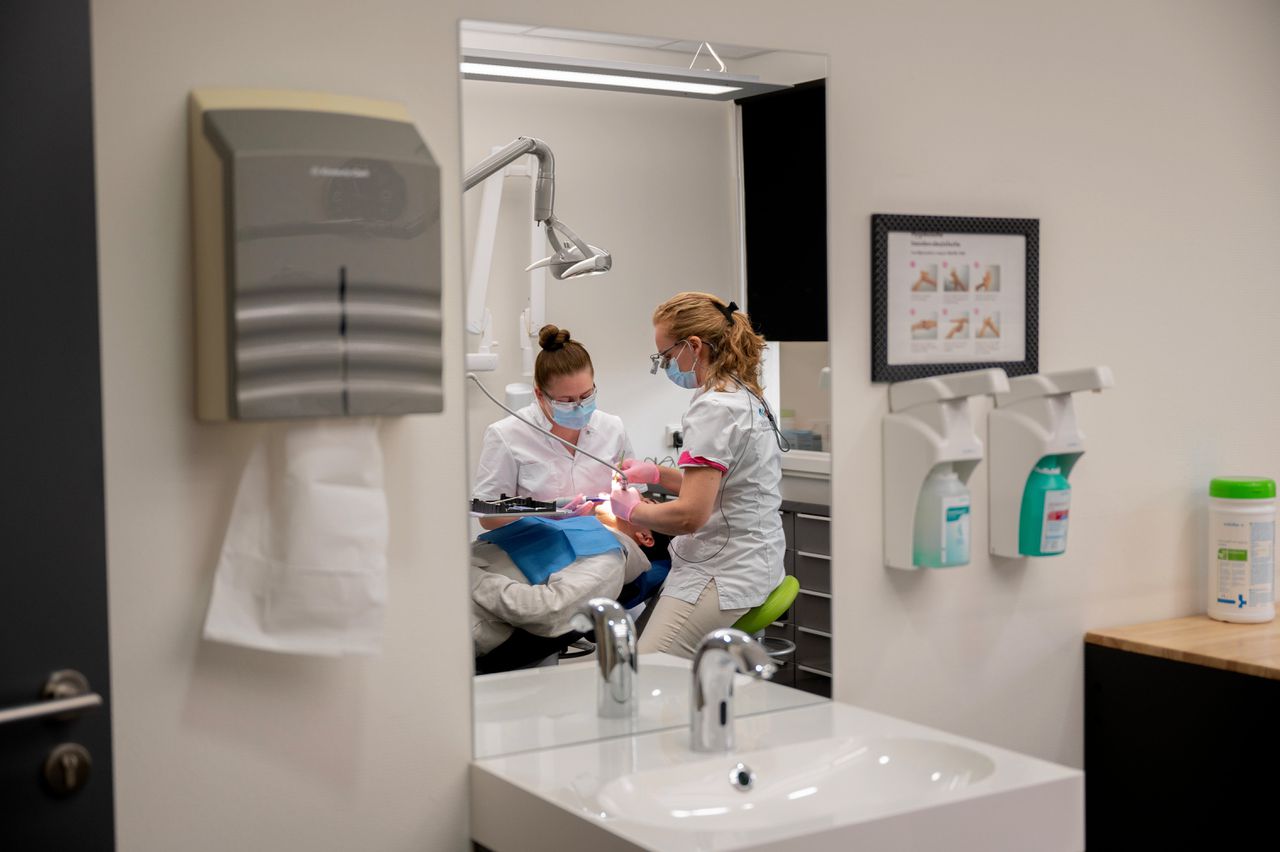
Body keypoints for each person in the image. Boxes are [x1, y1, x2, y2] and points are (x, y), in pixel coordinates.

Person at [607, 292, 786, 658]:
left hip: (724, 574)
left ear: (693, 346)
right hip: (755, 560)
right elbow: (720, 481)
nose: (667, 364)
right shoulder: (742, 393)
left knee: (646, 671)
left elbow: (690, 515)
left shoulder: (715, 408)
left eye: (668, 356)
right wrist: (655, 473)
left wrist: (631, 511)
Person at [470, 507, 672, 672]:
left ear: (645, 536)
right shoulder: (568, 527)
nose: (628, 492)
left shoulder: (608, 558)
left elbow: (549, 610)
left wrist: (465, 575)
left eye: (643, 501)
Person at [473, 324, 632, 529]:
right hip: (539, 548)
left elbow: (634, 493)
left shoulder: (612, 428)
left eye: (586, 396)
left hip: (603, 544)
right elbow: (487, 515)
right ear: (540, 395)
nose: (579, 406)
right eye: (566, 400)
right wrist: (545, 512)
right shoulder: (506, 435)